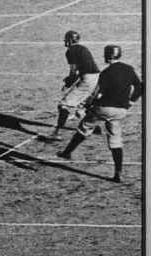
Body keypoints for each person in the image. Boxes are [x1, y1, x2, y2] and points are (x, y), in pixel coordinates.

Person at [57, 45, 142, 183]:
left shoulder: (106, 72)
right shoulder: (129, 69)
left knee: (84, 128)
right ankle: (118, 173)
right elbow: (139, 87)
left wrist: (86, 106)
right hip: (120, 110)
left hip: (102, 108)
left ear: (108, 56)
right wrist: (130, 102)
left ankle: (67, 152)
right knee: (115, 140)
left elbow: (97, 94)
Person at [45, 30, 100, 140]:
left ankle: (57, 133)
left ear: (70, 40)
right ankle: (96, 128)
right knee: (82, 106)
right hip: (96, 78)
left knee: (64, 105)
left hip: (88, 79)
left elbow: (74, 70)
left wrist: (68, 83)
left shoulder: (71, 51)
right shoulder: (83, 48)